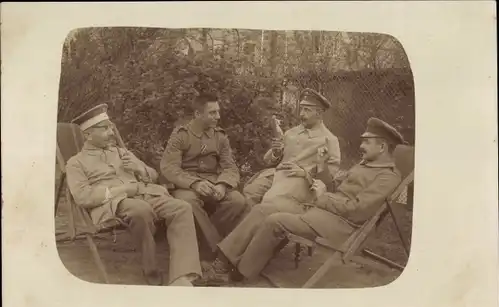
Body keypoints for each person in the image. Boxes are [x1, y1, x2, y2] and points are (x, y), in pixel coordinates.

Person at [220, 117, 405, 281]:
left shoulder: (387, 177)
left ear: (382, 147)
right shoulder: (365, 165)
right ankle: (226, 258)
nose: (361, 146)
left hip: (338, 226)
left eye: (367, 142)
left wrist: (323, 197)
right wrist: (322, 166)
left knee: (275, 221)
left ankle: (240, 273)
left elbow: (357, 211)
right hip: (320, 212)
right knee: (265, 208)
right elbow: (334, 187)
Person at [207, 88, 342, 279]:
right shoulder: (292, 133)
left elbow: (330, 178)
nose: (301, 114)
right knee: (249, 195)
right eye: (301, 109)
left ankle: (224, 259)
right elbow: (269, 160)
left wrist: (306, 172)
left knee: (266, 206)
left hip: (301, 184)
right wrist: (277, 151)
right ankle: (237, 252)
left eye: (307, 110)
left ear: (319, 113)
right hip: (277, 175)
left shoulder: (330, 140)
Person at [66, 104, 202, 286]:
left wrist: (140, 168)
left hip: (145, 194)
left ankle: (182, 276)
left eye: (111, 128)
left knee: (182, 207)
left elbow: (153, 176)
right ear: (87, 134)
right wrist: (121, 191)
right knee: (141, 210)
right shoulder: (76, 163)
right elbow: (82, 197)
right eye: (105, 129)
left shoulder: (122, 153)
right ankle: (151, 270)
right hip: (113, 204)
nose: (112, 132)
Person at [160, 92, 247, 245]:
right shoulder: (181, 135)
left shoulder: (220, 137)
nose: (218, 116)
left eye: (218, 112)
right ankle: (215, 246)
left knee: (237, 200)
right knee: (188, 202)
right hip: (185, 185)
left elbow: (230, 167)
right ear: (198, 114)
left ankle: (203, 240)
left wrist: (222, 184)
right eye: (212, 112)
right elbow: (169, 167)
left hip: (213, 183)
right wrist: (195, 183)